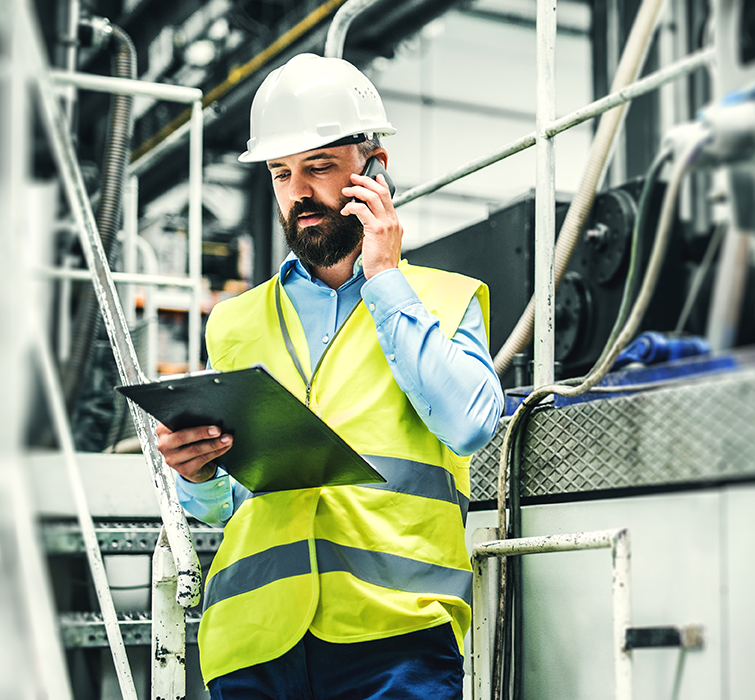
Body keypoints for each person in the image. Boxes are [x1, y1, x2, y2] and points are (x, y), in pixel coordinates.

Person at [155, 53, 504, 699]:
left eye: (318, 167)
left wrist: (386, 281)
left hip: (395, 638)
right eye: (281, 173)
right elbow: (229, 507)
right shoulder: (234, 322)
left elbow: (469, 426)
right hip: (252, 640)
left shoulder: (445, 299)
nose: (299, 192)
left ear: (374, 169)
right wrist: (195, 474)